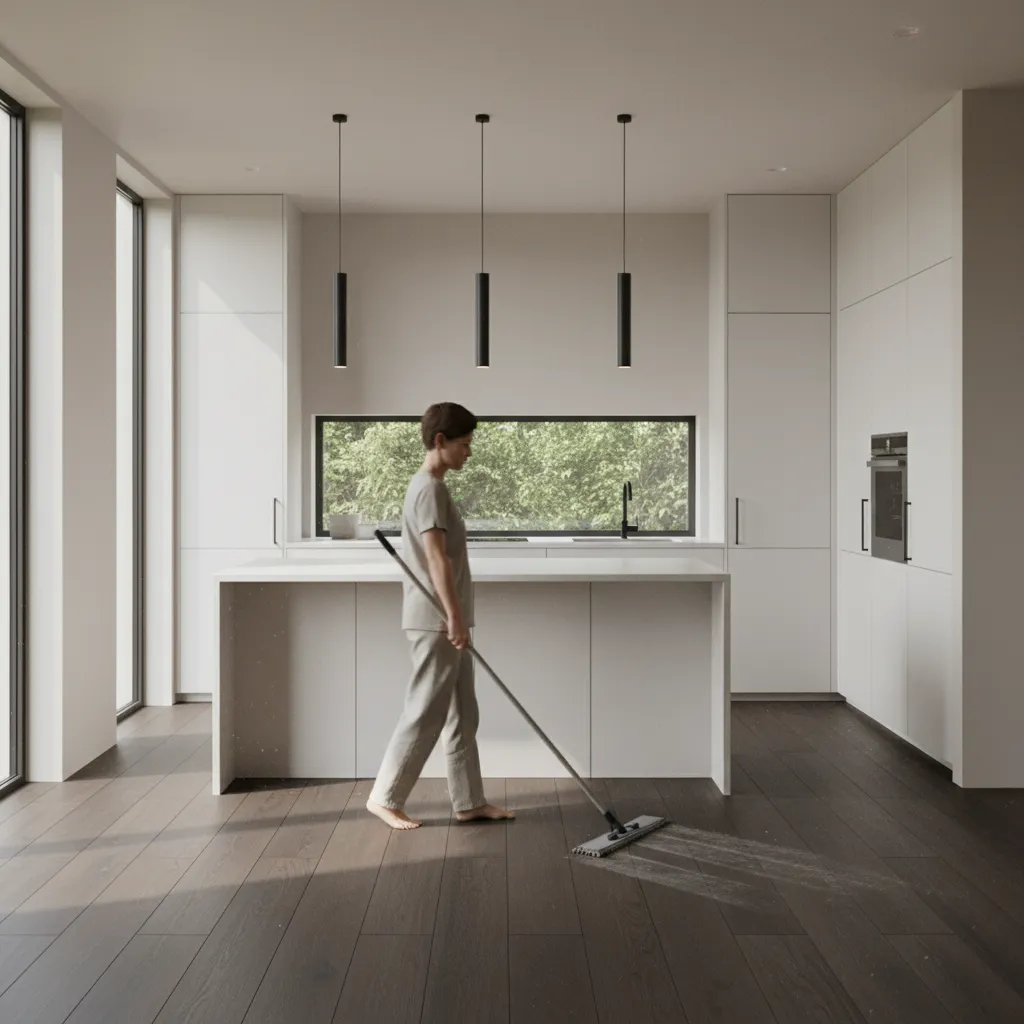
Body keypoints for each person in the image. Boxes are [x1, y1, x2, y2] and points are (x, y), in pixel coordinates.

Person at [366, 402, 515, 830]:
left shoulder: (434, 487)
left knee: (463, 712)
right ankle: (385, 796)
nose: (469, 452)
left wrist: (458, 618)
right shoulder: (429, 488)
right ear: (440, 441)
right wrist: (453, 617)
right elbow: (436, 560)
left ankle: (468, 801)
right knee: (426, 710)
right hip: (435, 618)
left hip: (448, 618)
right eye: (465, 444)